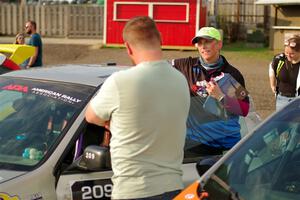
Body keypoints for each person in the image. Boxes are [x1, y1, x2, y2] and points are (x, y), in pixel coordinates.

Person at [85, 16, 190, 200]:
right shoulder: (180, 80)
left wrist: (112, 122)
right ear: (161, 40)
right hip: (173, 188)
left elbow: (91, 117)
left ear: (128, 47)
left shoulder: (120, 82)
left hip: (133, 190)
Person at [172, 27, 250, 156]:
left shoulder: (231, 74)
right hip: (195, 142)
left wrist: (220, 96)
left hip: (225, 144)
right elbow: (158, 68)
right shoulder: (187, 66)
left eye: (207, 42)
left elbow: (244, 109)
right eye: (200, 43)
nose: (203, 46)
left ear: (219, 44)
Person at [269, 34, 300, 111]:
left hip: (298, 100)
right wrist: (272, 85)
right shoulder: (280, 59)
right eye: (286, 53)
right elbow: (271, 68)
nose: (288, 55)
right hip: (281, 100)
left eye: (292, 53)